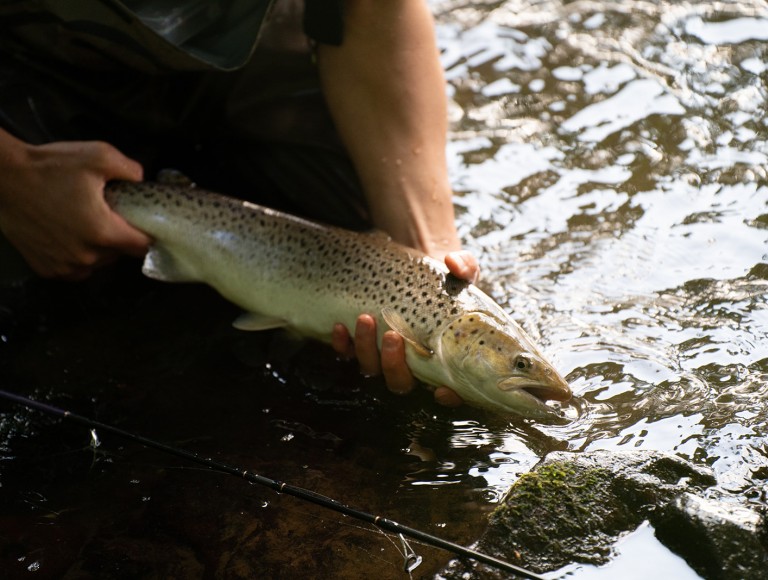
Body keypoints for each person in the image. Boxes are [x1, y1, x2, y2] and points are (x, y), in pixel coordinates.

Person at [0, 0, 478, 406]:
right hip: (24, 51)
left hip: (238, 43)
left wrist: (422, 247)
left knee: (356, 217)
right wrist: (15, 179)